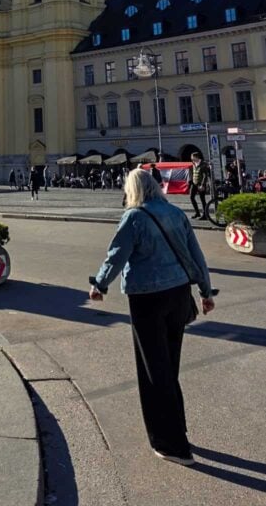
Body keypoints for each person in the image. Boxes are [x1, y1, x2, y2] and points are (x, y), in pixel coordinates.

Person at [89, 169, 214, 466]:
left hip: (148, 298)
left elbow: (116, 254)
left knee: (153, 370)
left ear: (132, 190)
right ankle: (177, 427)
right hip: (179, 293)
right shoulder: (174, 212)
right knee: (169, 365)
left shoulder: (134, 217)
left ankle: (172, 445)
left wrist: (100, 285)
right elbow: (195, 254)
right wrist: (205, 291)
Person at [189, 152, 210, 219]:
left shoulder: (203, 164)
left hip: (201, 184)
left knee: (202, 199)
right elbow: (193, 172)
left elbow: (205, 175)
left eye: (192, 157)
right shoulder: (194, 164)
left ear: (196, 157)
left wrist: (203, 185)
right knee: (191, 197)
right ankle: (197, 213)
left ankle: (205, 215)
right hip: (194, 183)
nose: (191, 158)